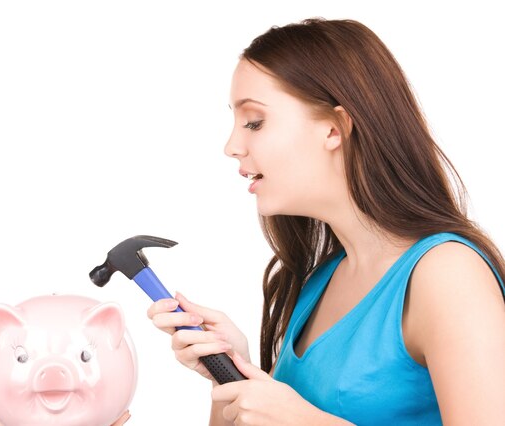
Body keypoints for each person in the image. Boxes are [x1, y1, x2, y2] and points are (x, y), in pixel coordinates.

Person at [148, 18, 505, 425]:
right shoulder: (319, 281)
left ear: (335, 129)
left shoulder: (448, 276)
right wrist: (232, 376)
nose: (232, 146)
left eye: (254, 122)